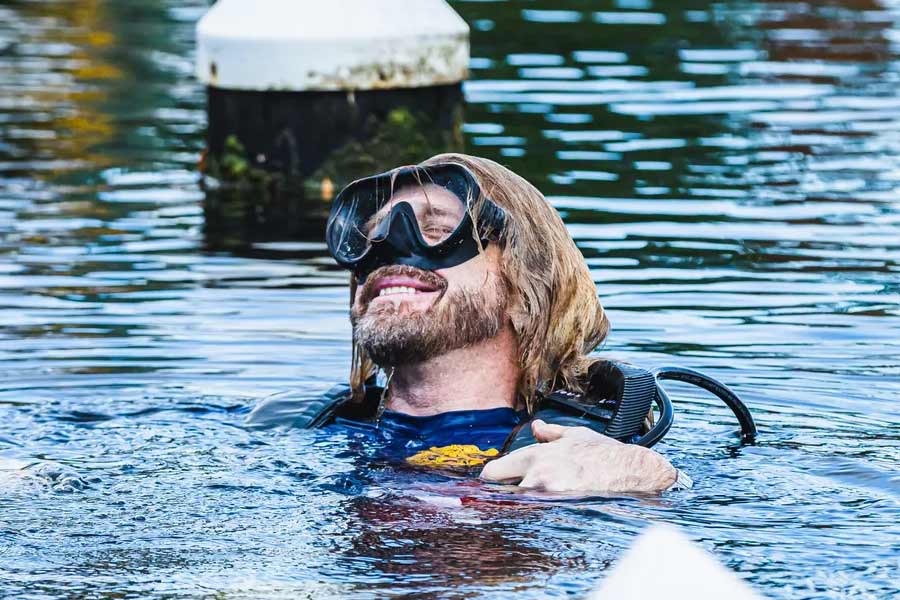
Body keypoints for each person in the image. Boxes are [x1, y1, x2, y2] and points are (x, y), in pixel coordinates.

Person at [253, 153, 688, 493]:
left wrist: (652, 478)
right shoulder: (294, 425)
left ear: (525, 291)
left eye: (439, 229)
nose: (389, 251)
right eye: (374, 234)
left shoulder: (581, 453)